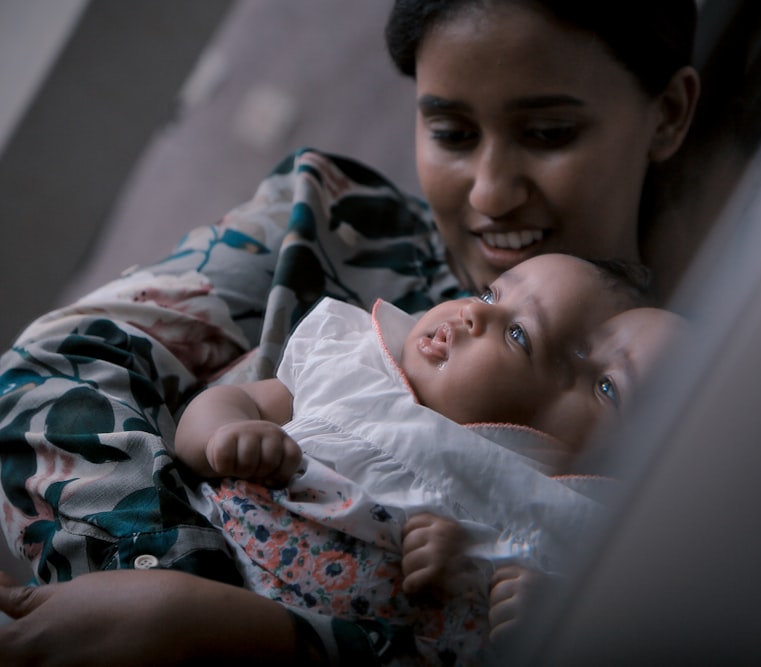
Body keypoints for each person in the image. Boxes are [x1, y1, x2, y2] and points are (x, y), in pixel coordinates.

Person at [0, 1, 702, 664]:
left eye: (549, 133)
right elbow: (42, 381)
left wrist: (239, 633)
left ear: (669, 113)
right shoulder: (328, 224)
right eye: (452, 133)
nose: (490, 192)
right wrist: (176, 583)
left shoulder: (683, 414)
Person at [173, 253, 681, 663]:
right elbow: (231, 405)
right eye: (491, 292)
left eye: (519, 334)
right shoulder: (361, 369)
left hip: (337, 643)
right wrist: (227, 435)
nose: (473, 310)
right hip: (211, 553)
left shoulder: (568, 525)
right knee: (150, 615)